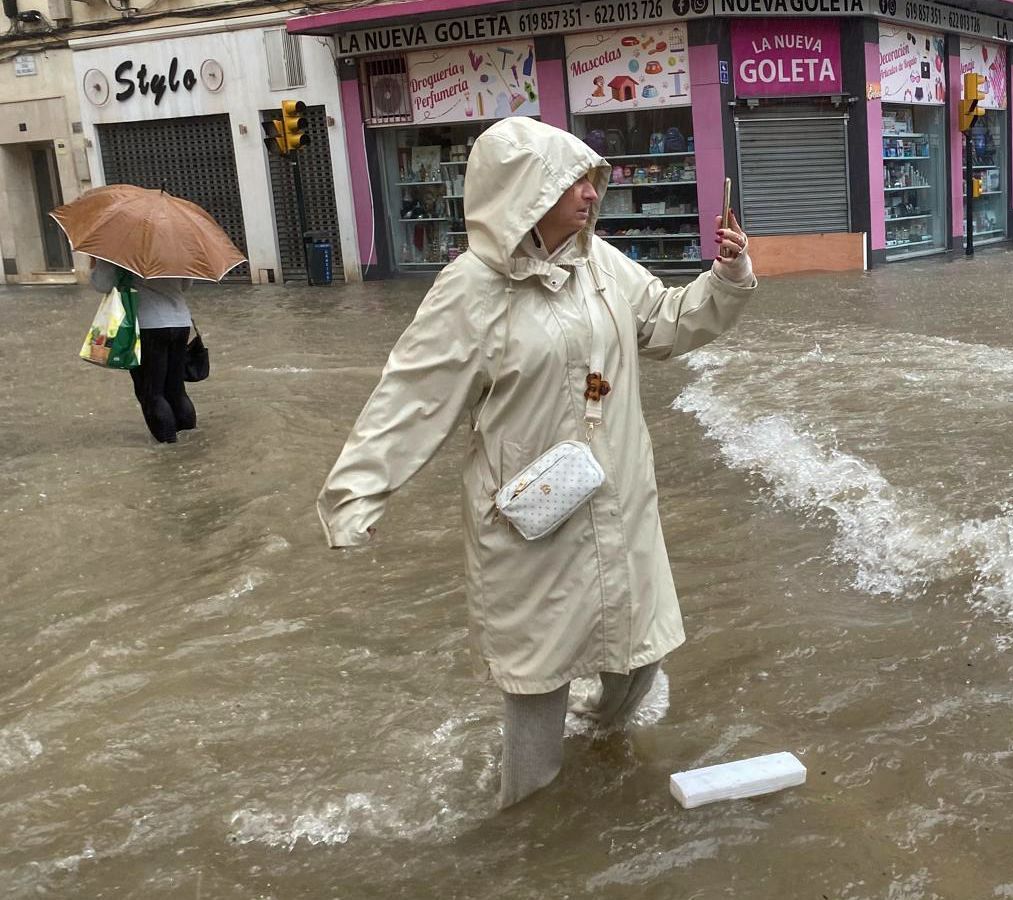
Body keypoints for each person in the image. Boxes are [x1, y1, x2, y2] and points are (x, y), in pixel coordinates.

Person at [315, 117, 756, 810]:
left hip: (618, 500)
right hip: (532, 519)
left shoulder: (600, 266)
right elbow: (411, 395)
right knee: (538, 679)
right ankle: (525, 824)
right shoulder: (471, 290)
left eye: (590, 180)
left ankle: (598, 750)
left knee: (638, 653)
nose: (589, 194)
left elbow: (665, 321)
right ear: (526, 192)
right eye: (572, 182)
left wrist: (726, 280)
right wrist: (357, 495)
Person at [90, 259, 196, 443]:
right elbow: (186, 285)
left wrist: (95, 264)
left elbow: (102, 284)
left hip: (147, 325)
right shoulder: (175, 246)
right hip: (180, 322)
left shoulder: (119, 249)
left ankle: (168, 450)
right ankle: (191, 443)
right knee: (176, 389)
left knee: (151, 393)